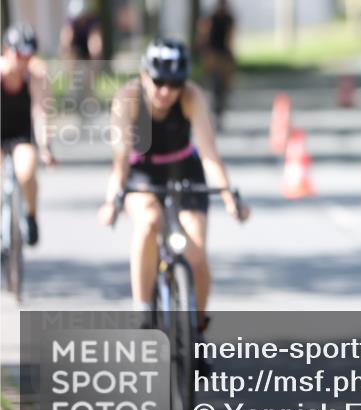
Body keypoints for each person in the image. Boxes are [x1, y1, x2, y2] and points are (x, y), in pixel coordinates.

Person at [97, 39, 249, 334]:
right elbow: (120, 162)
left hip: (184, 170)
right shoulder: (127, 99)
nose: (166, 91)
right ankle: (142, 312)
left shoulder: (192, 97)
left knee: (196, 253)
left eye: (175, 83)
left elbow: (209, 155)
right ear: (144, 76)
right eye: (159, 81)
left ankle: (198, 329)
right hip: (143, 173)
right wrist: (110, 202)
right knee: (149, 221)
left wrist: (230, 198)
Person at [1, 24, 55, 246]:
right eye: (19, 54)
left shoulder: (35, 76)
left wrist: (45, 148)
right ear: (6, 51)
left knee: (26, 171)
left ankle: (31, 216)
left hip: (22, 133)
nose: (23, 60)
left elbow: (40, 113)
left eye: (28, 55)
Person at [197, 0, 237, 129]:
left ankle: (219, 112)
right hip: (213, 54)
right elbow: (204, 36)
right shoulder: (211, 19)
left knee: (223, 87)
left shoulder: (229, 19)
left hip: (223, 55)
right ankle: (213, 112)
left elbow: (231, 37)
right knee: (213, 85)